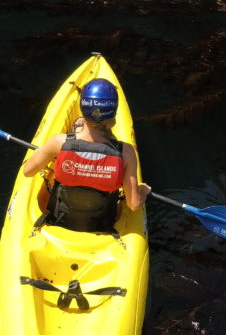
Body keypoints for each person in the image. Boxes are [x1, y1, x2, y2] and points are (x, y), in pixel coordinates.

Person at [22, 78, 151, 233]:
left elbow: (27, 171)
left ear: (83, 110)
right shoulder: (126, 152)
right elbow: (134, 204)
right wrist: (142, 190)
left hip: (59, 222)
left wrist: (48, 154)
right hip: (101, 227)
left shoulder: (58, 143)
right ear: (113, 113)